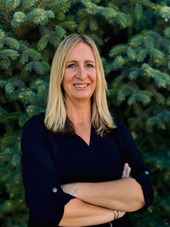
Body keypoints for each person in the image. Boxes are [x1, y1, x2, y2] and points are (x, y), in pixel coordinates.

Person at [21, 33, 154, 227]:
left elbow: (143, 193)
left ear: (98, 72)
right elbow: (48, 209)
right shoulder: (38, 131)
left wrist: (74, 190)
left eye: (89, 65)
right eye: (71, 65)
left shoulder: (115, 129)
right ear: (59, 73)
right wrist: (117, 208)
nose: (82, 75)